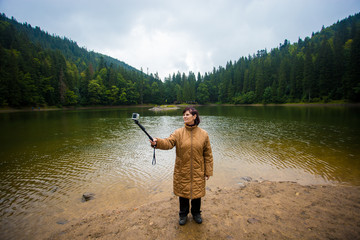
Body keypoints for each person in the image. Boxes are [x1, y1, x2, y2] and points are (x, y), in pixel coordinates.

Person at [150, 107, 213, 225]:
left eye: (187, 114)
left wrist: (208, 171)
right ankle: (183, 215)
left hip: (198, 170)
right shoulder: (178, 133)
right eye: (184, 114)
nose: (184, 116)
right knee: (183, 194)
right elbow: (168, 143)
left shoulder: (204, 134)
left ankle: (196, 213)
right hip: (182, 169)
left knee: (196, 194)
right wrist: (157, 142)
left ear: (194, 116)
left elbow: (208, 154)